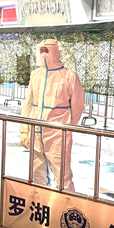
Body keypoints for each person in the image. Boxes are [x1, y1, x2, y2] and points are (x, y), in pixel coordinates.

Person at [20, 39, 84, 191]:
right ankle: (40, 200)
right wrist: (24, 130)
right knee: (36, 171)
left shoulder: (69, 76)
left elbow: (77, 106)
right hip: (35, 130)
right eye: (41, 51)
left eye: (47, 50)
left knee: (62, 174)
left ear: (56, 51)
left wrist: (67, 128)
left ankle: (66, 202)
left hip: (58, 133)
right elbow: (28, 103)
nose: (43, 54)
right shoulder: (36, 75)